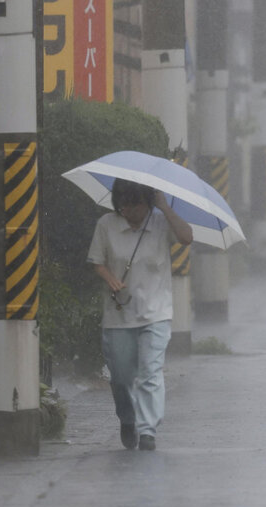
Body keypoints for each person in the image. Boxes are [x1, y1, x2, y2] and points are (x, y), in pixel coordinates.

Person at [87, 178, 193, 451]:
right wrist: (110, 279)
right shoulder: (106, 225)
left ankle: (147, 431)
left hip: (156, 313)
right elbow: (97, 261)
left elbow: (186, 237)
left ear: (147, 202)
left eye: (136, 204)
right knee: (121, 377)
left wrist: (164, 208)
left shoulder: (160, 223)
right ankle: (128, 418)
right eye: (124, 204)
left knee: (150, 371)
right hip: (118, 315)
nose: (130, 211)